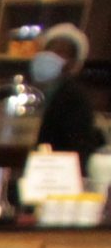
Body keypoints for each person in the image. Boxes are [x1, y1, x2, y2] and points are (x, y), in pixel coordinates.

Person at [32, 26, 104, 159]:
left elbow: (77, 149)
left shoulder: (76, 99)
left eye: (61, 53)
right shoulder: (28, 90)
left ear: (74, 64)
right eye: (50, 50)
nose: (52, 56)